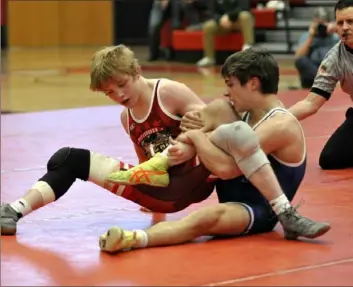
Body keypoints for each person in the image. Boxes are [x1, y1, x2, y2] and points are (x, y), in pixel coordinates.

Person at [99, 48, 331, 254]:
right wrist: (194, 129)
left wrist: (197, 135)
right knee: (218, 112)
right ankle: (159, 163)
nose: (227, 93)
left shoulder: (281, 125)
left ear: (252, 84)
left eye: (231, 85)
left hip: (257, 208)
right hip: (226, 187)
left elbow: (227, 169)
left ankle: (132, 239)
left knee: (206, 217)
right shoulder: (237, 111)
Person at [0, 44, 219, 235]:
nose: (119, 95)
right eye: (110, 92)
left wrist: (191, 145)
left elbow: (220, 127)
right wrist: (156, 210)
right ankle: (14, 210)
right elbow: (146, 166)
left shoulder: (169, 92)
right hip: (166, 193)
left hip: (196, 178)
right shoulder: (127, 118)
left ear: (136, 71)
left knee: (221, 123)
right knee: (67, 160)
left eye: (122, 85)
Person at [289, 0, 353, 170]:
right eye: (340, 23)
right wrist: (278, 116)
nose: (345, 27)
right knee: (329, 159)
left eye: (350, 22)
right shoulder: (334, 58)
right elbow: (311, 103)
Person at [294, 7, 339, 88]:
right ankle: (325, 80)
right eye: (319, 24)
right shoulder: (307, 36)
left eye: (324, 24)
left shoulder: (335, 36)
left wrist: (337, 29)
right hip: (313, 73)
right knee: (301, 61)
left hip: (329, 69)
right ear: (314, 23)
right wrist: (311, 36)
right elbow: (298, 57)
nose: (321, 28)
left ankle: (325, 79)